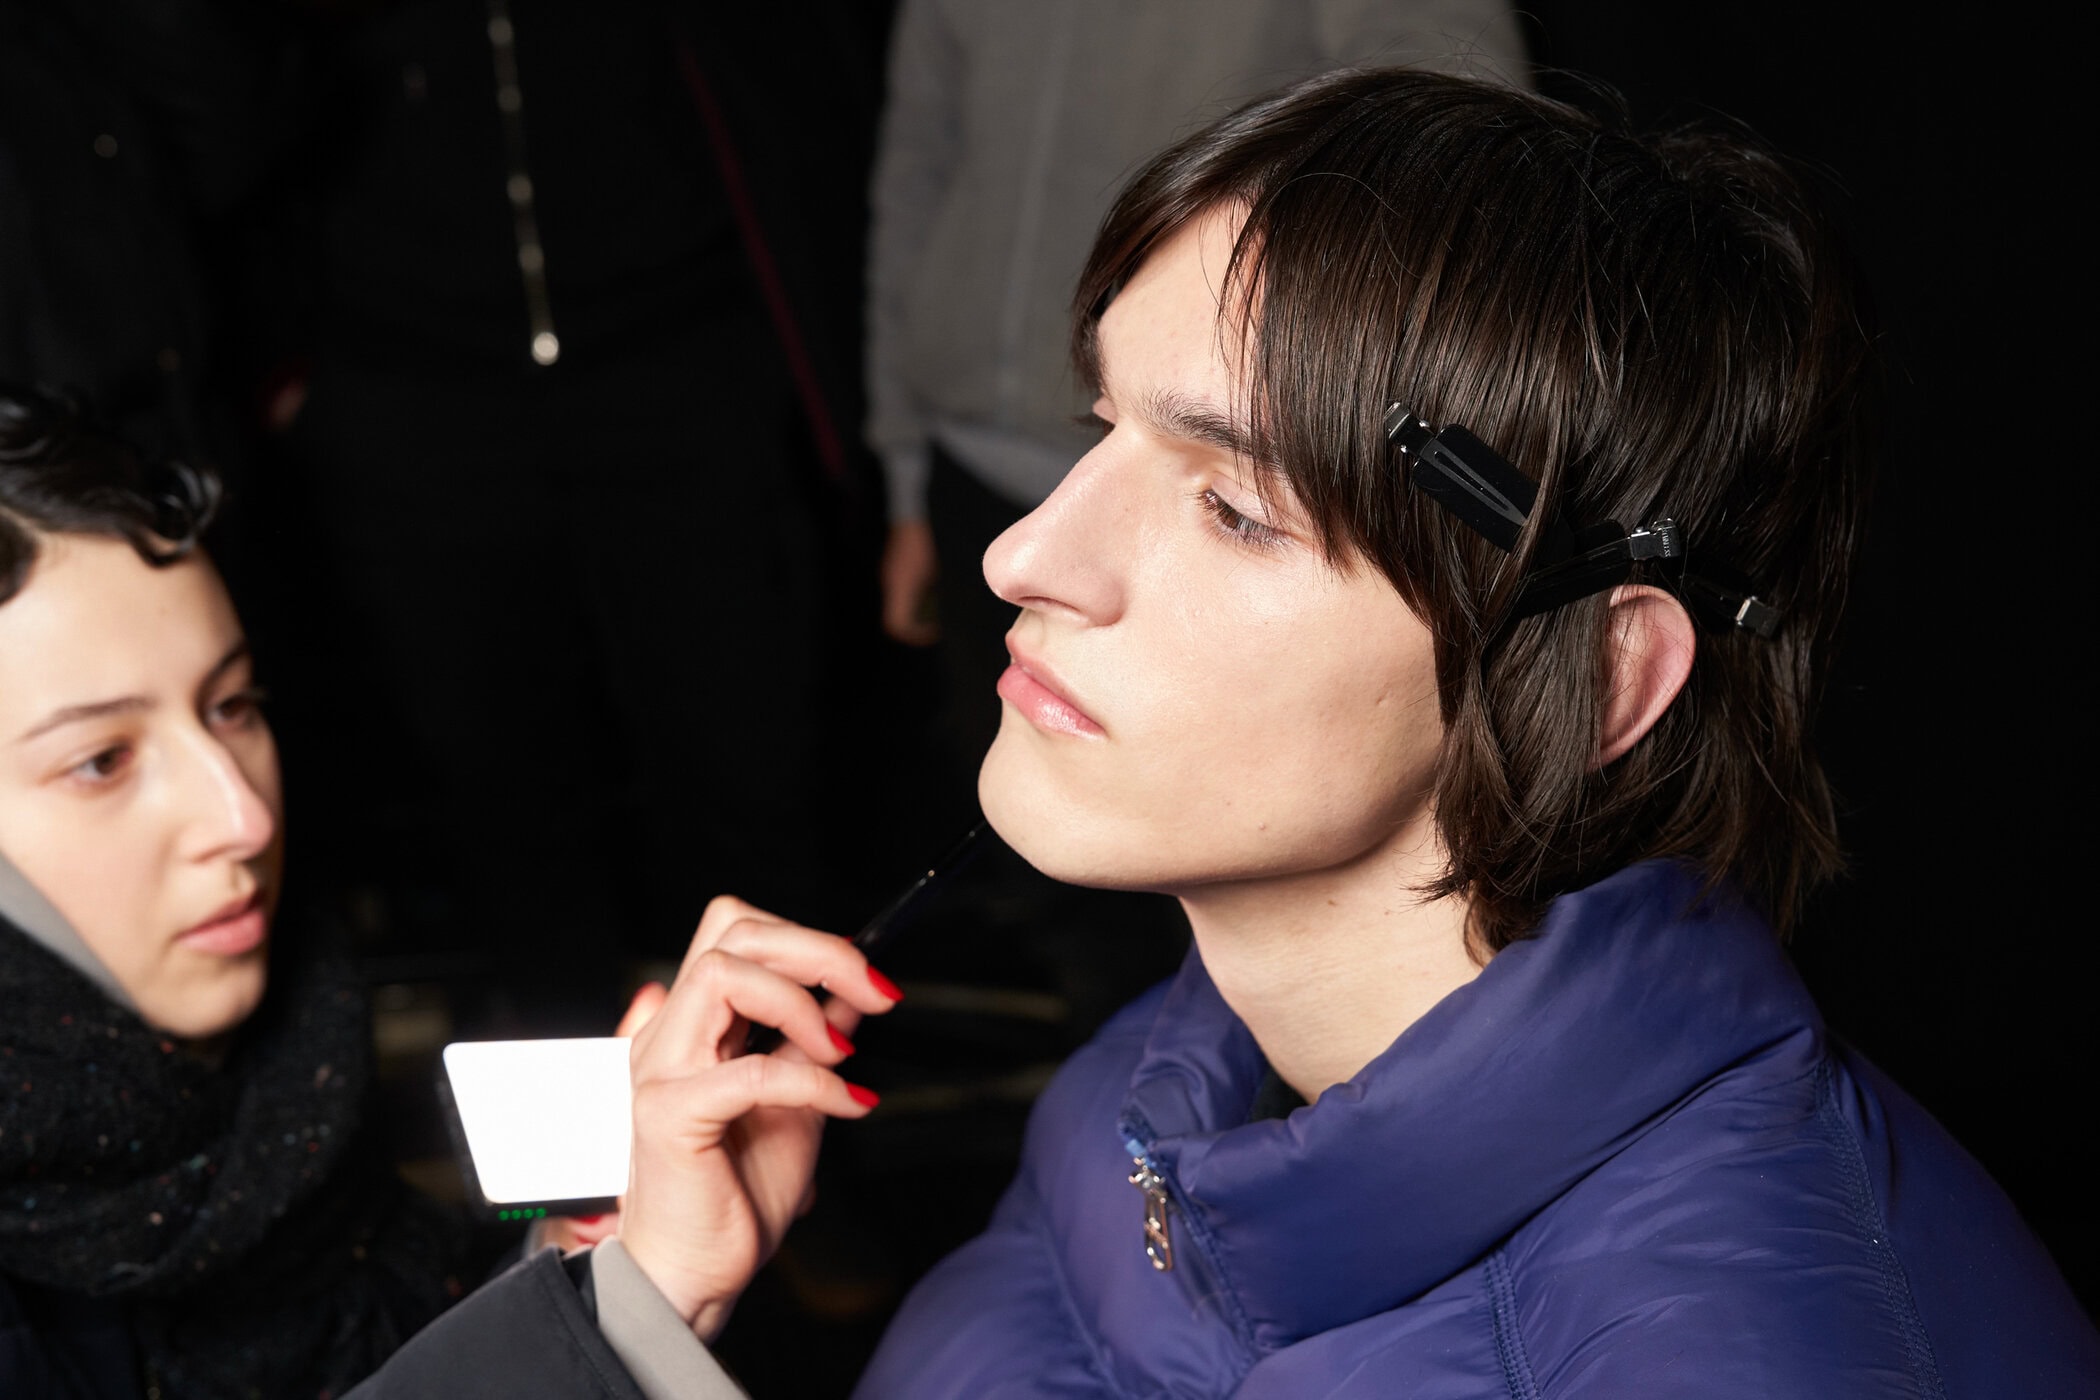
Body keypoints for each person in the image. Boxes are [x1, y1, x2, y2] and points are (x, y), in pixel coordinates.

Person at [360, 69, 2098, 1397]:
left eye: (1237, 508)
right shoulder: (1155, 1084)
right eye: (1098, 428)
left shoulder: (1762, 1356)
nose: (1023, 556)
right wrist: (636, 1313)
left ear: (1599, 677)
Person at [0, 384, 639, 1397]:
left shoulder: (289, 1060)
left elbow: (401, 1342)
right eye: (101, 760)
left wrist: (593, 1273)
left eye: (231, 704)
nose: (244, 817)